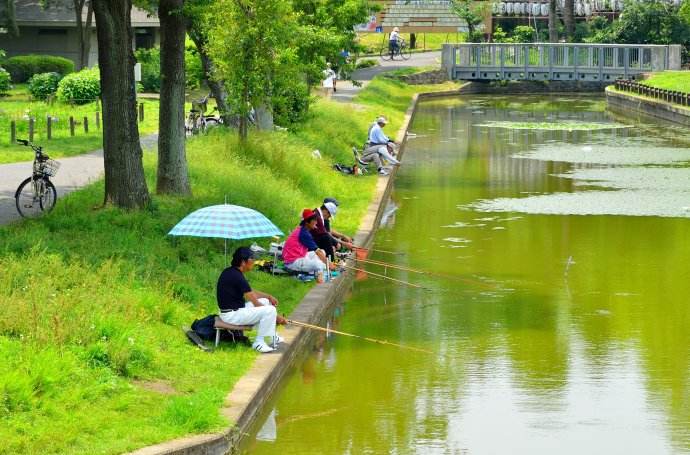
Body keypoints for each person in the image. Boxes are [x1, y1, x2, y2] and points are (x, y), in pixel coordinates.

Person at [217, 247, 287, 353]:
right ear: (243, 262)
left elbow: (250, 292)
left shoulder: (232, 272)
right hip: (232, 316)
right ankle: (258, 342)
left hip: (235, 311)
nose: (254, 261)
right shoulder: (237, 276)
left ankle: (271, 335)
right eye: (252, 259)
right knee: (270, 310)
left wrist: (268, 296)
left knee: (266, 302)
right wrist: (277, 317)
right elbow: (256, 304)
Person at [283, 209, 334, 274]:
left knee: (323, 252)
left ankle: (317, 268)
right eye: (314, 220)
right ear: (307, 222)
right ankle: (321, 269)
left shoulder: (304, 230)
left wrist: (326, 262)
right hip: (292, 262)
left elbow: (318, 251)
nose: (316, 222)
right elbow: (317, 251)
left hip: (300, 256)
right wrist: (328, 263)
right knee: (318, 264)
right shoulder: (304, 233)